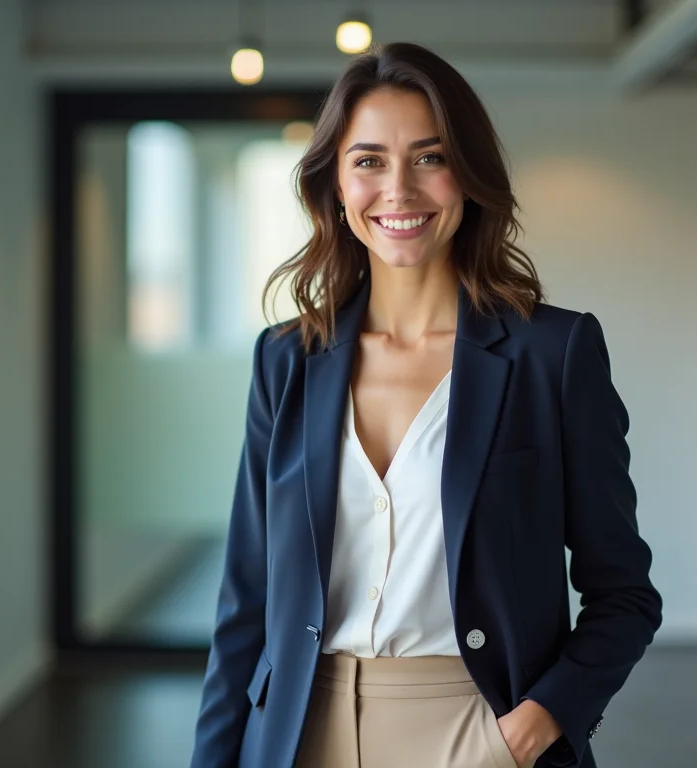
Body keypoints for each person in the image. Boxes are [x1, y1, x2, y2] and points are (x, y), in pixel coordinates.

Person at [190, 41, 662, 768]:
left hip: (477, 734)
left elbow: (625, 594)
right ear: (336, 185)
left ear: (468, 177)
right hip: (293, 735)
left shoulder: (553, 354)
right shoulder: (285, 361)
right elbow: (245, 609)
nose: (399, 189)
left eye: (430, 157)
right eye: (369, 160)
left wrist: (526, 732)